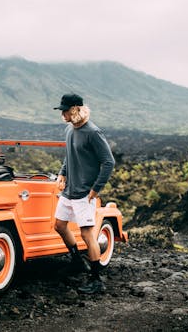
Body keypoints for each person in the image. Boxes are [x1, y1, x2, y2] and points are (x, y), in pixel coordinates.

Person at [53, 93, 115, 294]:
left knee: (87, 234)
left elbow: (109, 162)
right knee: (59, 225)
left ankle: (96, 280)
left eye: (64, 110)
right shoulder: (70, 129)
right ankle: (77, 262)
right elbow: (69, 155)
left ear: (74, 110)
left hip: (84, 194)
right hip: (69, 191)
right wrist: (63, 174)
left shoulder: (93, 132)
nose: (62, 113)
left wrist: (96, 189)